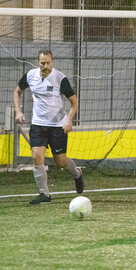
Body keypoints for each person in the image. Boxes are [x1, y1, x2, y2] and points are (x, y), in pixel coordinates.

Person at [13, 49, 84, 204]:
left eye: (48, 63)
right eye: (42, 63)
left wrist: (69, 120)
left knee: (60, 162)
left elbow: (74, 102)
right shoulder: (30, 76)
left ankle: (77, 174)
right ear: (38, 63)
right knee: (37, 157)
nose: (45, 66)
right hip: (38, 124)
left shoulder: (60, 79)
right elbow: (17, 92)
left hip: (58, 125)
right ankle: (44, 194)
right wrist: (18, 111)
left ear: (53, 62)